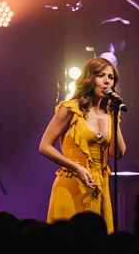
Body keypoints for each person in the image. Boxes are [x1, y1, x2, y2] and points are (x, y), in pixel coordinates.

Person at [39, 56, 126, 231]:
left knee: (97, 242)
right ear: (89, 78)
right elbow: (44, 146)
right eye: (101, 75)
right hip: (72, 182)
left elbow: (118, 153)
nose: (107, 81)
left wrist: (114, 117)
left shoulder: (109, 112)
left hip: (100, 184)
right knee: (70, 240)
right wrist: (77, 168)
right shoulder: (70, 108)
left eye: (111, 77)